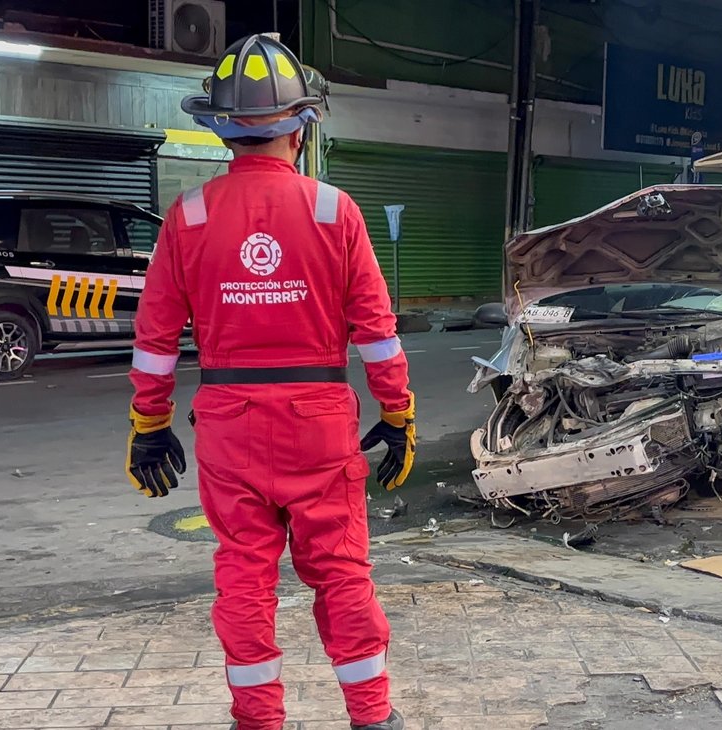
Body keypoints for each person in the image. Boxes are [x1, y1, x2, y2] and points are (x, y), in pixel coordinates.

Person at [124, 34, 413, 730]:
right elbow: (376, 331)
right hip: (319, 422)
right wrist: (397, 414)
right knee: (342, 574)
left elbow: (156, 340)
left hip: (230, 426)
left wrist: (149, 425)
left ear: (220, 127)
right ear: (303, 123)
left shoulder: (187, 218)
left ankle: (257, 720)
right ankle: (372, 718)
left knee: (244, 578)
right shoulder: (332, 210)